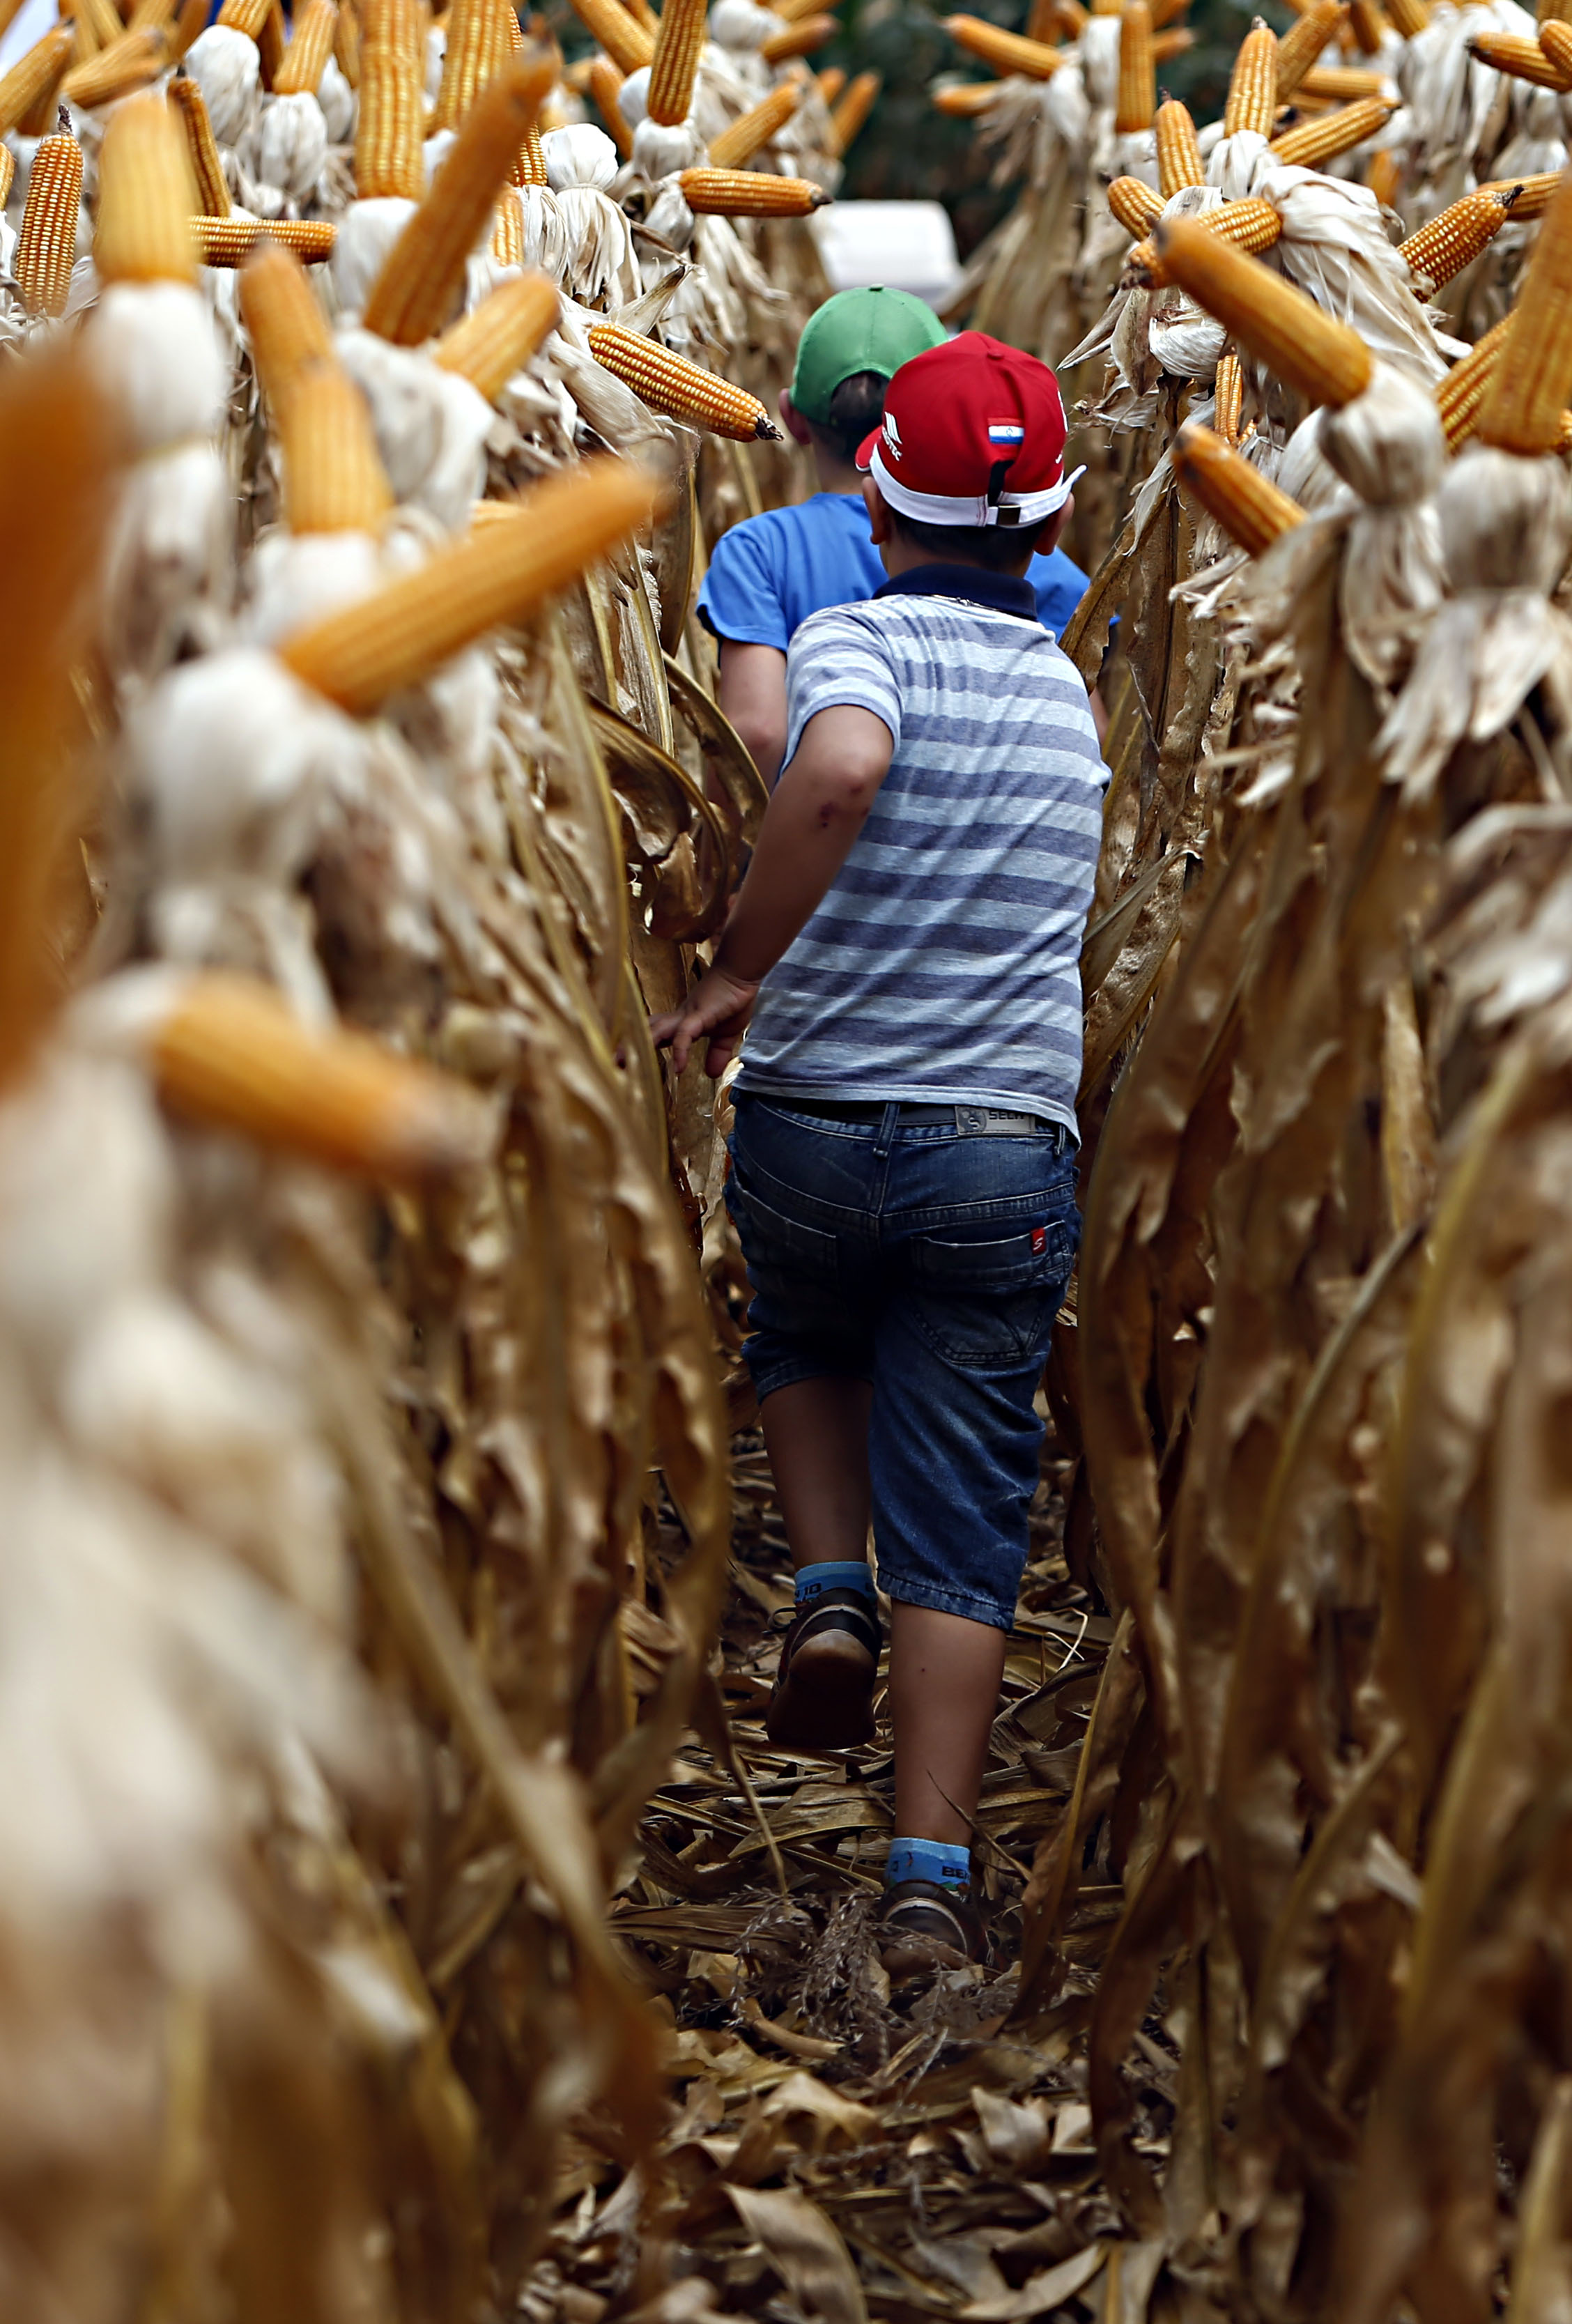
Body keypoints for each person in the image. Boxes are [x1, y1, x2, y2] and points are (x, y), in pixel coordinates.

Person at [652, 332, 1105, 1972]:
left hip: (817, 1119)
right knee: (974, 1489)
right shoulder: (1063, 690)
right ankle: (928, 1866)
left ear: (870, 486)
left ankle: (827, 1574)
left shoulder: (853, 635)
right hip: (1002, 1146)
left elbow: (833, 764)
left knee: (798, 1331)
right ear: (1049, 525)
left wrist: (737, 964)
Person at [698, 289, 1095, 787]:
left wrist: (739, 856)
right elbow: (1086, 734)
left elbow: (756, 733)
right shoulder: (1044, 563)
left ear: (793, 419)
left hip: (809, 848)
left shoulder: (759, 550)